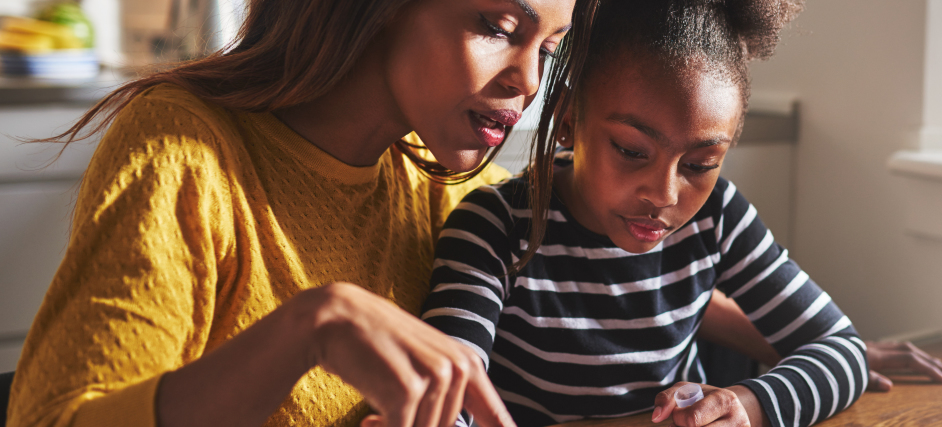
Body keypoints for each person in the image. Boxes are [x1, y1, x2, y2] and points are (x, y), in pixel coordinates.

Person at [6, 0, 590, 426]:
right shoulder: (187, 149)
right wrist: (306, 331)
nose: (529, 80)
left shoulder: (460, 203)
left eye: (548, 50)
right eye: (499, 28)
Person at [419, 0, 942, 426]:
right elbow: (450, 397)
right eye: (631, 150)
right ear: (566, 119)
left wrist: (748, 405)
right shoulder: (493, 227)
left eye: (700, 163)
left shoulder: (718, 215)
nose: (665, 193)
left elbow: (841, 350)